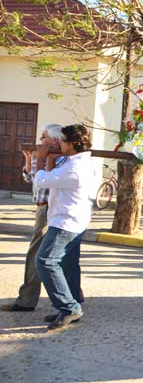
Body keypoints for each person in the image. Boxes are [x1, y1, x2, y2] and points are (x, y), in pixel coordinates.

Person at [34, 124, 94, 330]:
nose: (59, 144)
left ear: (72, 144)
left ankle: (69, 307)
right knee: (67, 264)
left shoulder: (74, 168)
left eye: (63, 141)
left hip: (66, 222)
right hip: (72, 219)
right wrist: (49, 159)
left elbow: (42, 181)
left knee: (45, 262)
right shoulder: (75, 162)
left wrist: (41, 159)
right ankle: (70, 304)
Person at [2, 124, 66, 313]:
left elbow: (42, 181)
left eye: (44, 137)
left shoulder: (58, 159)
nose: (40, 140)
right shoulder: (46, 157)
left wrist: (37, 159)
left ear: (54, 141)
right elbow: (31, 178)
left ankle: (28, 300)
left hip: (48, 209)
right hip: (43, 208)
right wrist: (30, 160)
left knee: (38, 255)